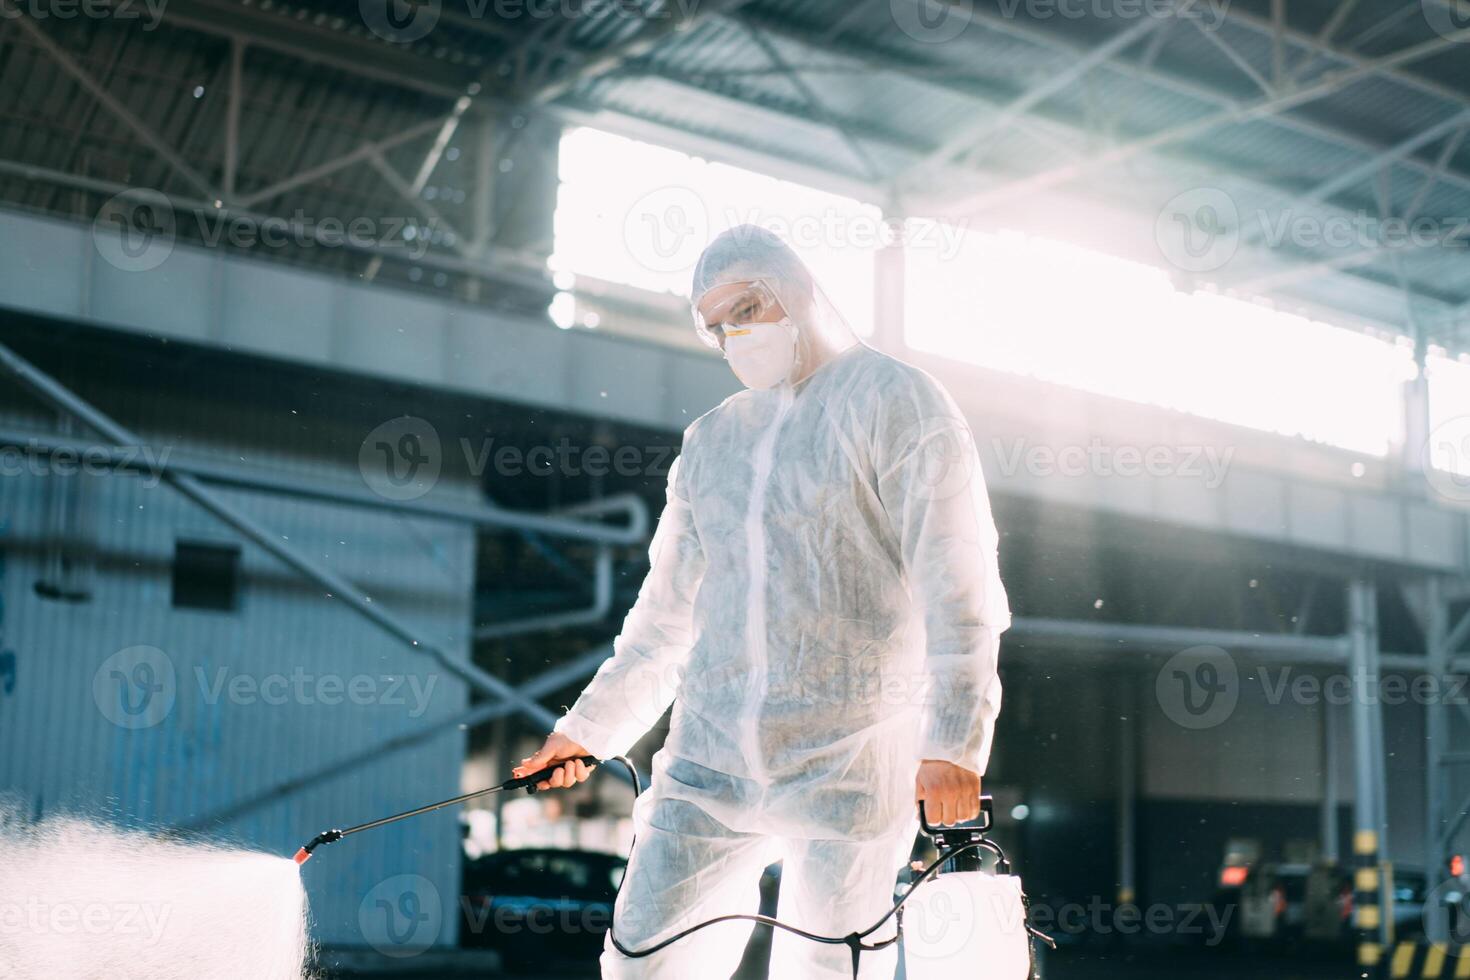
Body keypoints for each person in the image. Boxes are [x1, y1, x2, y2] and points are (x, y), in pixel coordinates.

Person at [513, 225, 1009, 979]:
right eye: (718, 326)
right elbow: (663, 622)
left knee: (825, 971)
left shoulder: (895, 401)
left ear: (798, 291)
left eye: (748, 306)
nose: (736, 334)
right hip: (708, 765)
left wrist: (952, 742)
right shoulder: (712, 442)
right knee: (641, 964)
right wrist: (588, 732)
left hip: (850, 756)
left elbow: (959, 581)